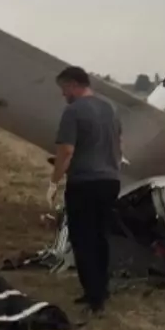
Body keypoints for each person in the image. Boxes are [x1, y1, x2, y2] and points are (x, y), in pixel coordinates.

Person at [48, 66, 122, 314]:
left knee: (83, 239)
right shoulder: (109, 108)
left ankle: (94, 298)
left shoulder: (73, 111)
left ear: (73, 84)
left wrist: (54, 181)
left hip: (84, 183)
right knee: (100, 237)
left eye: (63, 88)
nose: (63, 94)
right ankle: (101, 289)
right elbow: (117, 143)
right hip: (111, 181)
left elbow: (66, 151)